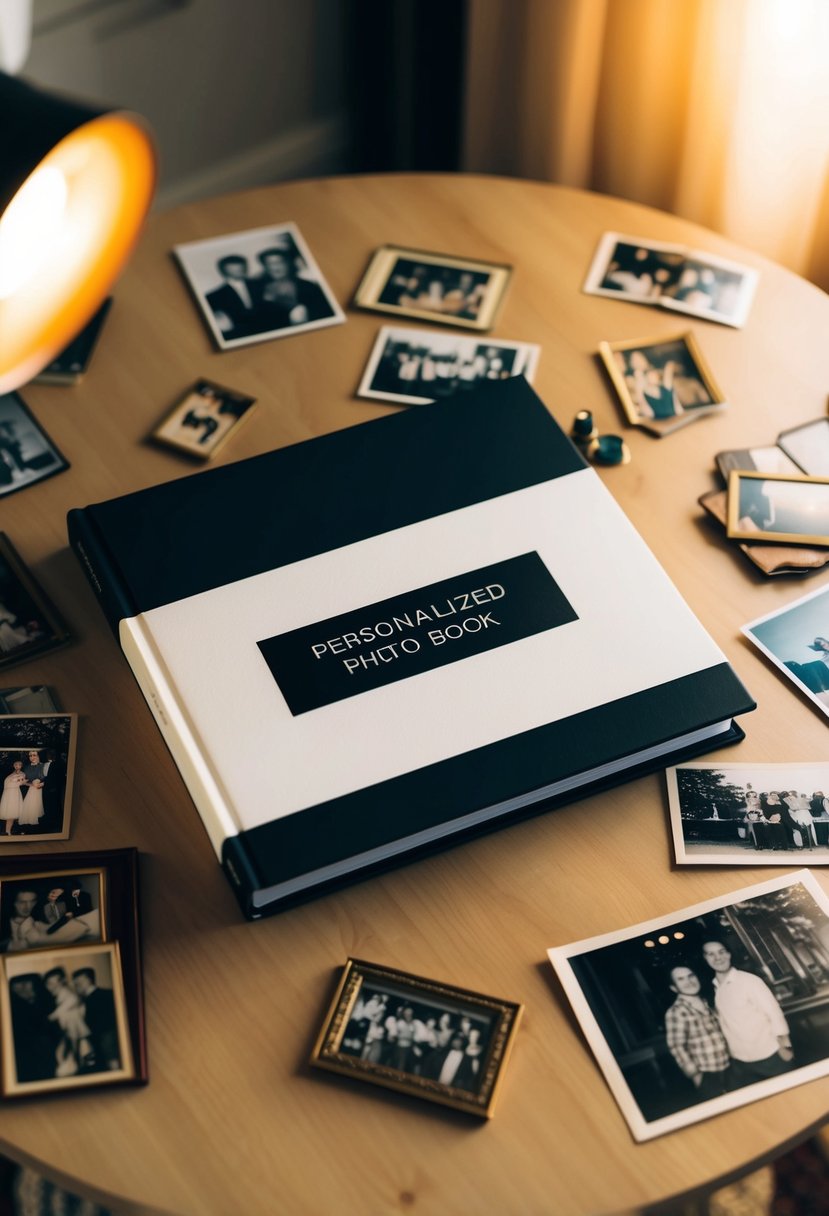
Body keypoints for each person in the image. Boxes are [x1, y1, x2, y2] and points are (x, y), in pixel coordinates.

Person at [702, 941, 794, 1083]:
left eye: (721, 952)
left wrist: (785, 1047)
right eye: (711, 954)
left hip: (771, 1055)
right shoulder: (714, 988)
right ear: (705, 959)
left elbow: (774, 1014)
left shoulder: (749, 981)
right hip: (741, 1062)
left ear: (729, 954)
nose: (718, 957)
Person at [664, 965, 732, 1100]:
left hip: (728, 1066)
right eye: (681, 979)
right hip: (707, 1073)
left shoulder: (706, 1002)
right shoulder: (676, 1011)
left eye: (691, 976)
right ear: (674, 987)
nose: (689, 981)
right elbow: (676, 1046)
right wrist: (696, 1075)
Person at [252, 248, 332, 330]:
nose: (275, 267)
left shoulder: (308, 286)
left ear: (288, 263)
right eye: (270, 264)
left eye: (280, 262)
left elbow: (325, 317)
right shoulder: (256, 289)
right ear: (265, 267)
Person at [44, 966, 92, 1075]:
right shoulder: (59, 998)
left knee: (74, 1065)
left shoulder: (71, 998)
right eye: (48, 983)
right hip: (70, 1037)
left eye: (53, 983)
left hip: (75, 1039)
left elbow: (55, 1017)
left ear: (63, 981)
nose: (50, 987)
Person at [72, 968, 121, 1071]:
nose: (76, 986)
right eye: (75, 983)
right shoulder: (85, 1001)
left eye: (79, 982)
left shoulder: (105, 995)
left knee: (113, 1068)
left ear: (89, 980)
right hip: (100, 1043)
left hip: (107, 1041)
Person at [205, 255, 261, 340]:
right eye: (233, 268)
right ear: (223, 271)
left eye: (240, 267)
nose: (238, 270)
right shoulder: (214, 296)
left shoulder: (260, 285)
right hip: (237, 336)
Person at [0, 758, 28, 834]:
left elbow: (21, 783)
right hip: (9, 794)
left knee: (15, 813)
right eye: (16, 764)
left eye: (19, 765)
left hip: (15, 794)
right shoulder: (11, 774)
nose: (17, 766)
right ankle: (7, 832)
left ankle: (21, 831)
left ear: (21, 766)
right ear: (13, 765)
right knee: (9, 814)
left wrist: (22, 782)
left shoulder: (22, 774)